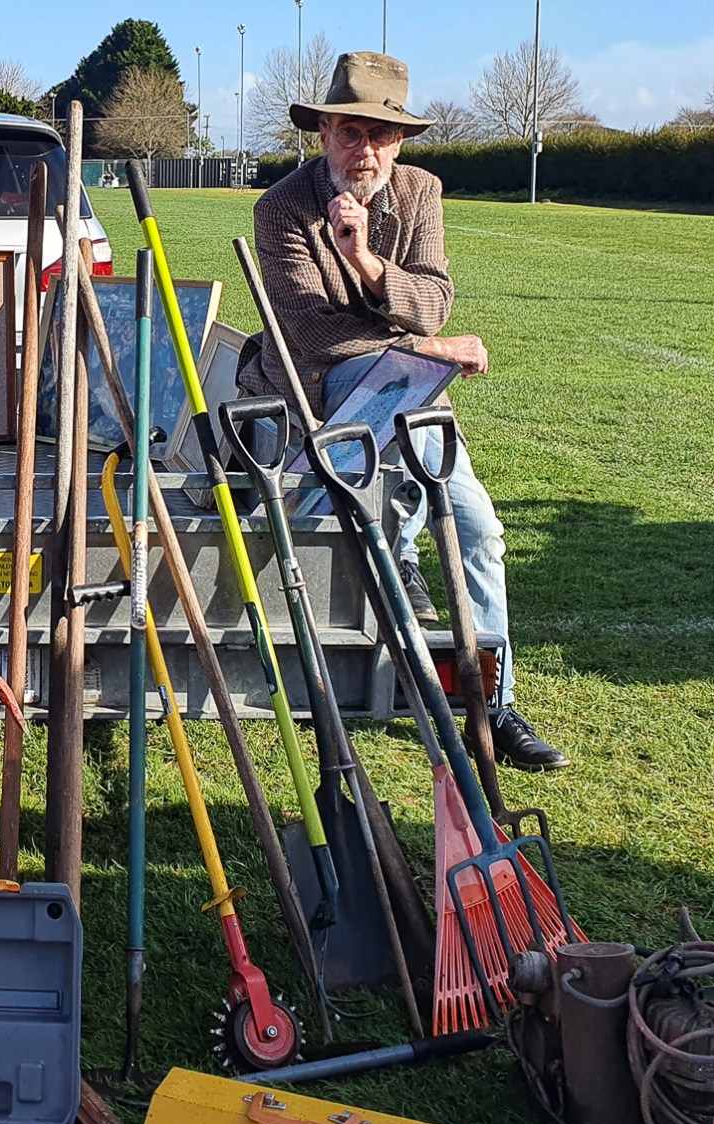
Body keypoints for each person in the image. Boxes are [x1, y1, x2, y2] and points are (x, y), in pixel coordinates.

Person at [237, 50, 567, 770]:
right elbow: (309, 330)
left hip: (411, 388)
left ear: (402, 142)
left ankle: (495, 704)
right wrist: (434, 347)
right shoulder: (282, 209)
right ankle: (401, 660)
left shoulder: (419, 193)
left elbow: (434, 296)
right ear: (323, 131)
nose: (368, 150)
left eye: (383, 136)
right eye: (353, 131)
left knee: (479, 533)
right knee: (381, 534)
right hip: (323, 392)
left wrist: (369, 266)